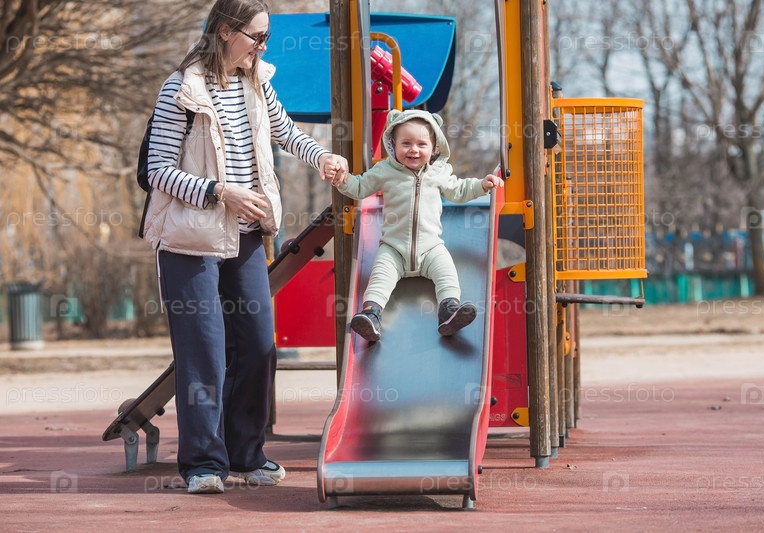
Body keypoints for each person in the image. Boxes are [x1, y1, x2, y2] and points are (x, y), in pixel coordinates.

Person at [141, 0, 347, 495]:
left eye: (266, 37)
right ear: (225, 31)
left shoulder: (256, 83)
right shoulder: (181, 89)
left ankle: (246, 453)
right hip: (189, 240)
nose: (263, 47)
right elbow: (157, 172)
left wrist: (323, 157)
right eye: (257, 37)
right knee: (204, 353)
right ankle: (203, 464)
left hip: (246, 236)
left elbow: (286, 132)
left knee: (257, 346)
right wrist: (221, 192)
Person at [332, 109, 503, 342]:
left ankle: (449, 310)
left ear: (434, 147)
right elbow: (360, 187)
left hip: (431, 247)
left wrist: (482, 185)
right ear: (393, 144)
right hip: (393, 248)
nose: (414, 149)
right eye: (406, 143)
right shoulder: (385, 171)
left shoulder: (438, 172)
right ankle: (371, 315)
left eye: (422, 144)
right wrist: (342, 180)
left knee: (447, 275)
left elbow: (459, 190)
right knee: (379, 280)